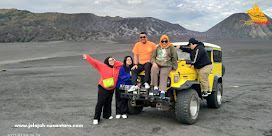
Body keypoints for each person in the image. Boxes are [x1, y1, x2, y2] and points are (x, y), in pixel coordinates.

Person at [83, 54, 123, 125]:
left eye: (112, 60)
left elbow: (122, 64)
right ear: (107, 62)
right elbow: (94, 62)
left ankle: (107, 115)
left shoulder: (116, 68)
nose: (111, 62)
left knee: (108, 102)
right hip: (103, 87)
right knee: (100, 102)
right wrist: (87, 57)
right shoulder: (103, 66)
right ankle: (96, 118)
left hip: (111, 87)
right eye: (110, 61)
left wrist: (115, 61)